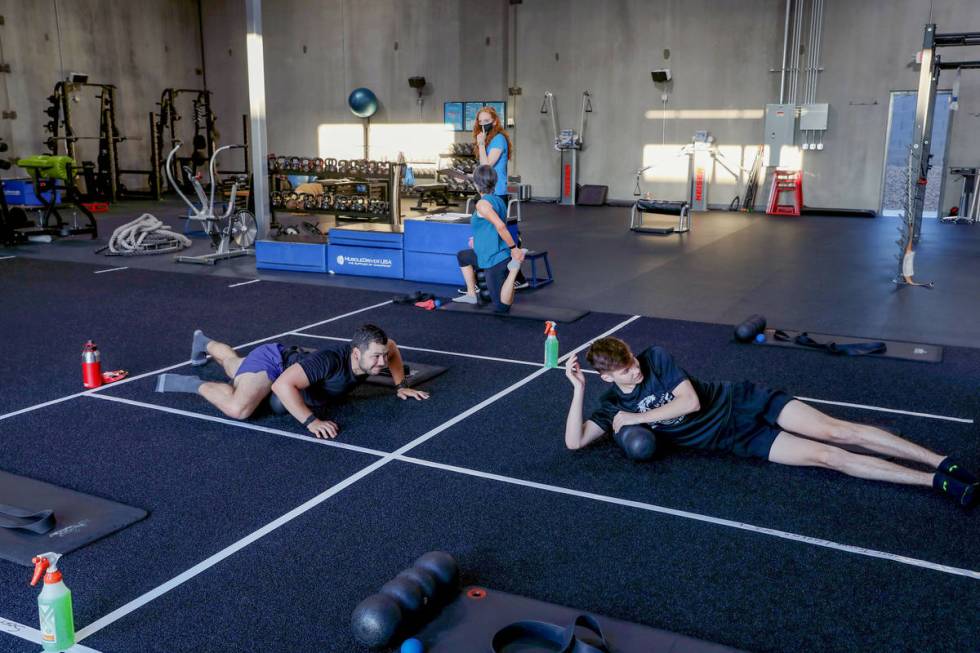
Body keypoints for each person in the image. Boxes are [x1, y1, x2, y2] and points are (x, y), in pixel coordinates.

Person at [563, 336, 978, 507]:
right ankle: (933, 482)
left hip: (744, 401)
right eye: (625, 371)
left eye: (633, 362)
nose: (635, 371)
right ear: (608, 377)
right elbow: (575, 442)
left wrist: (637, 415)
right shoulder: (608, 402)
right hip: (739, 440)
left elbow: (688, 402)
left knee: (838, 430)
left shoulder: (655, 358)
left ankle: (940, 460)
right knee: (827, 456)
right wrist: (579, 390)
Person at [155, 324, 429, 439]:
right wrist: (312, 422)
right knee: (240, 408)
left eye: (382, 358)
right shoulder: (330, 360)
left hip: (285, 363)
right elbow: (282, 386)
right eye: (376, 358)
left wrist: (400, 384)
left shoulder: (377, 350)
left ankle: (203, 342)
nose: (381, 364)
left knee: (236, 367)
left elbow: (392, 348)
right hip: (274, 365)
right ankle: (191, 383)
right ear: (356, 353)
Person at [451, 165, 526, 313]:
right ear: (495, 182)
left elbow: (500, 226)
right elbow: (488, 227)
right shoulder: (498, 200)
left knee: (502, 307)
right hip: (487, 251)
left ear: (476, 184)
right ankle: (471, 294)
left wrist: (514, 249)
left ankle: (514, 269)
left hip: (495, 258)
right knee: (463, 256)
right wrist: (477, 240)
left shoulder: (482, 204)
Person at [472, 106, 528, 290]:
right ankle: (509, 275)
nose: (483, 125)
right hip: (488, 190)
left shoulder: (498, 139)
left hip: (496, 192)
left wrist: (480, 145)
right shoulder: (489, 139)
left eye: (486, 121)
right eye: (480, 122)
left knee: (497, 232)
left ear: (495, 121)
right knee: (492, 233)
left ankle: (516, 274)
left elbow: (486, 165)